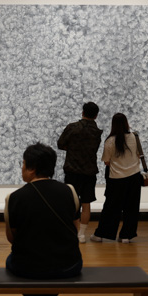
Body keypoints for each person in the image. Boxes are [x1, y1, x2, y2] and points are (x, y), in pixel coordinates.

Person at [4, 143, 82, 296]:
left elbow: (12, 238)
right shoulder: (70, 191)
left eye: (23, 164)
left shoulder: (14, 198)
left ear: (31, 168)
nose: (22, 168)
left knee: (10, 263)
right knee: (54, 268)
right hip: (69, 265)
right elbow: (75, 229)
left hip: (26, 267)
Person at [91, 113, 144, 244]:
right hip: (134, 177)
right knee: (131, 207)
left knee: (111, 208)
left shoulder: (110, 141)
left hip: (116, 178)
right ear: (126, 123)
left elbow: (106, 161)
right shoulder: (134, 137)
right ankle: (126, 236)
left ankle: (101, 234)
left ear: (113, 125)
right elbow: (139, 155)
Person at [57, 102, 103, 243]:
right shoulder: (97, 132)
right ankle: (82, 234)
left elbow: (60, 144)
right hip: (89, 171)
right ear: (96, 115)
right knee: (86, 203)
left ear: (82, 112)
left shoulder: (72, 127)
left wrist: (71, 148)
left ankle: (73, 231)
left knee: (72, 202)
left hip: (72, 170)